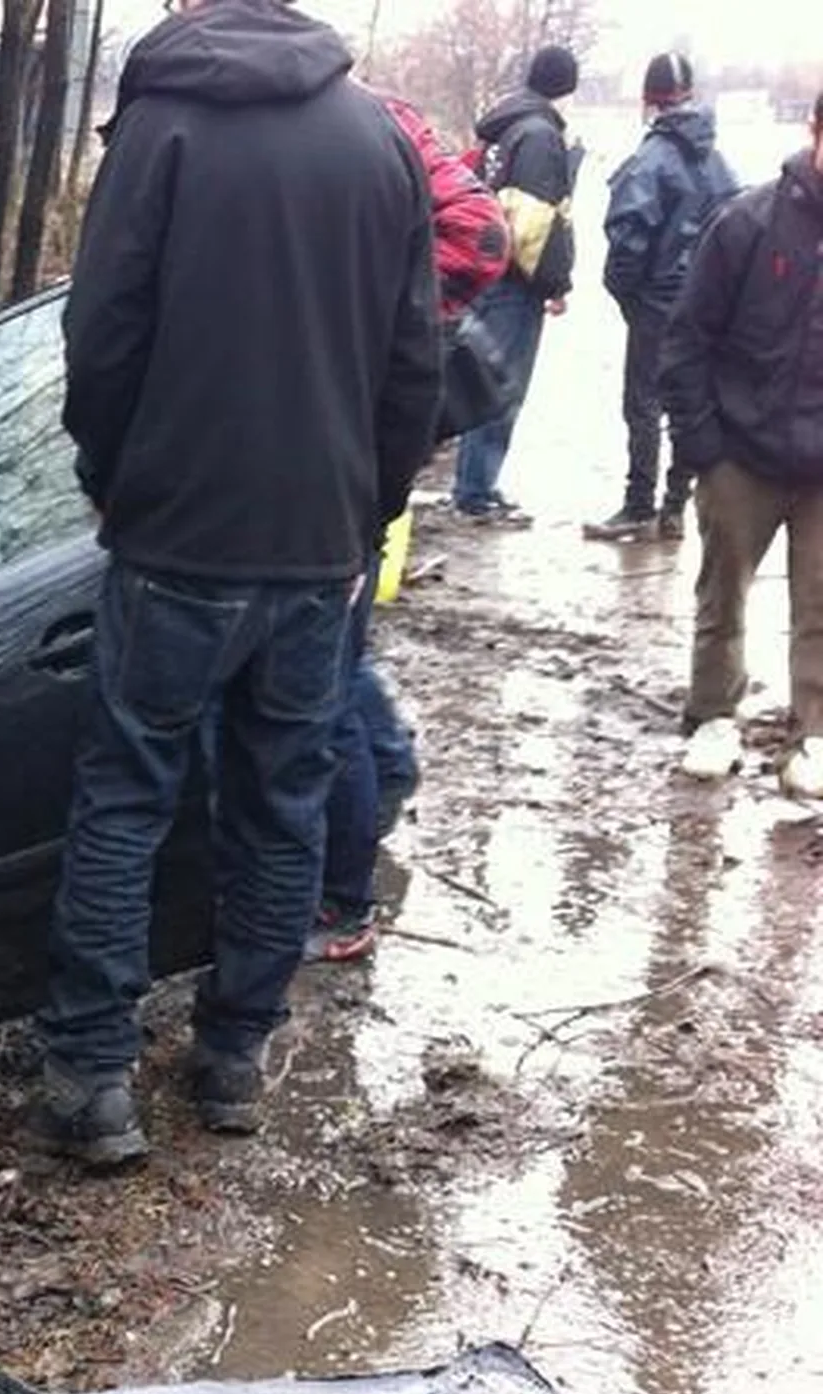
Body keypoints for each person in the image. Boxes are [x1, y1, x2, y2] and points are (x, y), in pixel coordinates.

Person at [37, 0, 439, 1166]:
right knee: (281, 801)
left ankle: (92, 1078)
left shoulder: (158, 128)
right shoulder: (378, 142)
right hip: (317, 543)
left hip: (176, 537)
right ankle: (231, 1058)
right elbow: (413, 359)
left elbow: (98, 331)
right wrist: (365, 510)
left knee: (123, 799)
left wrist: (113, 473)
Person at [309, 90, 511, 965]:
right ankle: (386, 771)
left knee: (323, 681)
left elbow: (483, 233)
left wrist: (373, 316)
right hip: (335, 432)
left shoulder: (369, 119)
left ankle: (345, 895)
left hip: (351, 433)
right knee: (336, 667)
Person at [658, 91, 823, 794]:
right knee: (722, 593)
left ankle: (812, 731)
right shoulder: (748, 222)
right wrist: (703, 444)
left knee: (822, 601)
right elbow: (687, 337)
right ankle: (714, 714)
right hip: (740, 454)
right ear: (816, 130)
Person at [585, 54, 738, 543]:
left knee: (644, 402)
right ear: (689, 95)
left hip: (657, 303)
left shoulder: (650, 161)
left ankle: (638, 505)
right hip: (706, 302)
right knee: (691, 400)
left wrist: (625, 293)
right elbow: (737, 229)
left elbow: (627, 240)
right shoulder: (718, 161)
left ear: (648, 98)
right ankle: (675, 507)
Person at [450, 46, 582, 526]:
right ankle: (477, 492)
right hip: (514, 284)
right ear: (567, 88)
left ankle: (470, 484)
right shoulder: (542, 136)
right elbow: (532, 225)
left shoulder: (505, 127)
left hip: (485, 273)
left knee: (478, 377)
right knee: (501, 385)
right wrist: (554, 283)